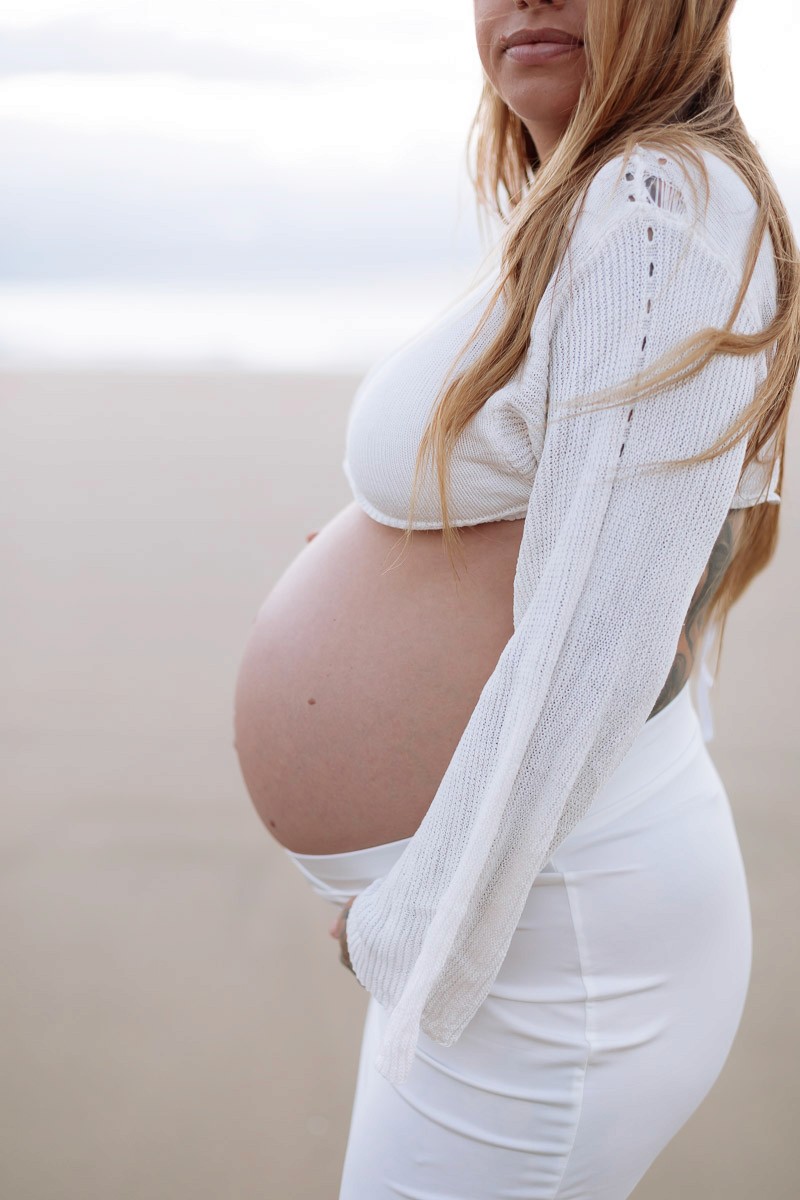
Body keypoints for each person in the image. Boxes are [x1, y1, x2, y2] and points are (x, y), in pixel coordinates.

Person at [288, 2, 799, 1195]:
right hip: (529, 899)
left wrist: (418, 920)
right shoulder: (609, 210)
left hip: (535, 920)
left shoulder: (656, 212)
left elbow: (601, 644)